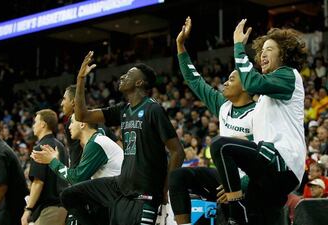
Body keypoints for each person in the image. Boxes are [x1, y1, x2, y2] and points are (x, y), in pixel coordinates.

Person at [59, 51, 184, 225]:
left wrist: (166, 188)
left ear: (139, 82)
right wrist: (80, 80)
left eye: (129, 74)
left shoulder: (153, 110)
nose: (123, 76)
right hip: (121, 186)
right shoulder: (123, 110)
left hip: (145, 191)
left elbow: (177, 151)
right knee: (70, 195)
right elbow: (81, 115)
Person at [210, 19, 307, 225]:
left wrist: (238, 46)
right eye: (261, 50)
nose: (262, 54)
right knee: (257, 215)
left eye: (269, 49)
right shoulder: (264, 98)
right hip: (271, 168)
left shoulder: (289, 75)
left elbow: (251, 81)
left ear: (284, 54)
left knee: (221, 145)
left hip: (283, 162)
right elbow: (265, 130)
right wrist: (243, 137)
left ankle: (234, 206)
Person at [169, 17, 256, 225]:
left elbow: (264, 161)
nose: (225, 82)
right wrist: (180, 45)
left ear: (246, 86)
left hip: (251, 182)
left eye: (232, 79)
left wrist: (240, 185)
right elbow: (194, 79)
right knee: (177, 177)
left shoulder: (259, 112)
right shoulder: (223, 105)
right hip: (224, 178)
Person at [32, 113, 123, 225]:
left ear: (82, 124)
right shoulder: (95, 141)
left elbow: (76, 178)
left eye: (72, 122)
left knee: (69, 195)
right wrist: (55, 161)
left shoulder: (97, 143)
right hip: (112, 195)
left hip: (117, 197)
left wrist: (53, 162)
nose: (69, 127)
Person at [21, 109, 69, 225]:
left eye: (35, 122)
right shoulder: (60, 145)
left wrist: (28, 210)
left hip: (50, 208)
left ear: (43, 124)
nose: (33, 125)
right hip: (62, 206)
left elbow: (38, 182)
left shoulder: (40, 148)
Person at [61, 85, 121, 169]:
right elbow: (119, 144)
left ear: (73, 101)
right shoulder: (97, 119)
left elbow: (77, 159)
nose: (61, 103)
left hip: (87, 176)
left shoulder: (74, 123)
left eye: (64, 99)